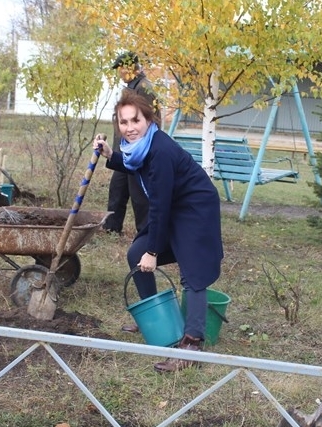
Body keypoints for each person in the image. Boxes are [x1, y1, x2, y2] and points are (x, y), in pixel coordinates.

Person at [93, 90, 223, 373]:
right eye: (123, 122)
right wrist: (111, 155)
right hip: (174, 207)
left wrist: (154, 252)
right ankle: (155, 318)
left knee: (193, 274)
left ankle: (191, 344)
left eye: (135, 120)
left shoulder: (160, 150)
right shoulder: (141, 148)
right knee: (135, 254)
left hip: (194, 209)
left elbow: (160, 204)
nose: (129, 128)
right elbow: (135, 166)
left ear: (148, 119)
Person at [102, 52, 158, 235]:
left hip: (137, 151)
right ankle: (111, 228)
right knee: (117, 189)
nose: (119, 73)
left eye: (121, 68)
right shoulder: (130, 87)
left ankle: (146, 232)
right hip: (123, 150)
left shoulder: (144, 88)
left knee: (139, 196)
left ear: (130, 67)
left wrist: (139, 148)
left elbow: (149, 121)